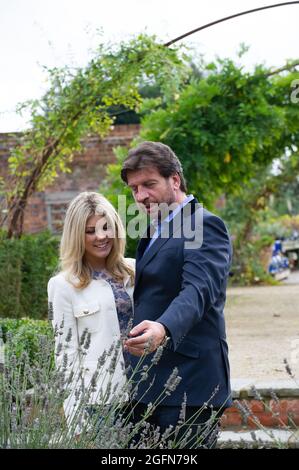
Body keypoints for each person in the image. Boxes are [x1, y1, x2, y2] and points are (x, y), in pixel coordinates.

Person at [121, 141, 233, 448]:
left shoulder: (203, 224)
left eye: (149, 184)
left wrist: (163, 327)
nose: (141, 196)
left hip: (191, 384)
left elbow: (198, 290)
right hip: (149, 383)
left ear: (175, 180)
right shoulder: (154, 229)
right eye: (134, 189)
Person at [48, 192, 135, 428]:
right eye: (90, 231)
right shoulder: (63, 285)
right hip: (102, 402)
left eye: (106, 227)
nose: (101, 236)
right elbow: (66, 354)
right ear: (77, 235)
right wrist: (78, 422)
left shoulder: (134, 270)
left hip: (149, 395)